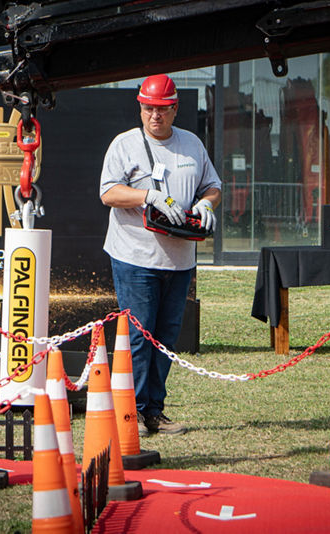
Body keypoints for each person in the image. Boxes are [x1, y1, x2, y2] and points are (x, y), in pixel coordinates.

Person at [99, 74, 222, 435]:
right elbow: (108, 193)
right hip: (135, 257)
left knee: (166, 339)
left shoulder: (192, 144)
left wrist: (205, 203)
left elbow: (213, 185)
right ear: (140, 107)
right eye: (150, 108)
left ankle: (154, 410)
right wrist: (147, 197)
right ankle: (131, 413)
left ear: (175, 109)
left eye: (163, 109)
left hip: (180, 259)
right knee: (139, 336)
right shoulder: (124, 145)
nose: (156, 116)